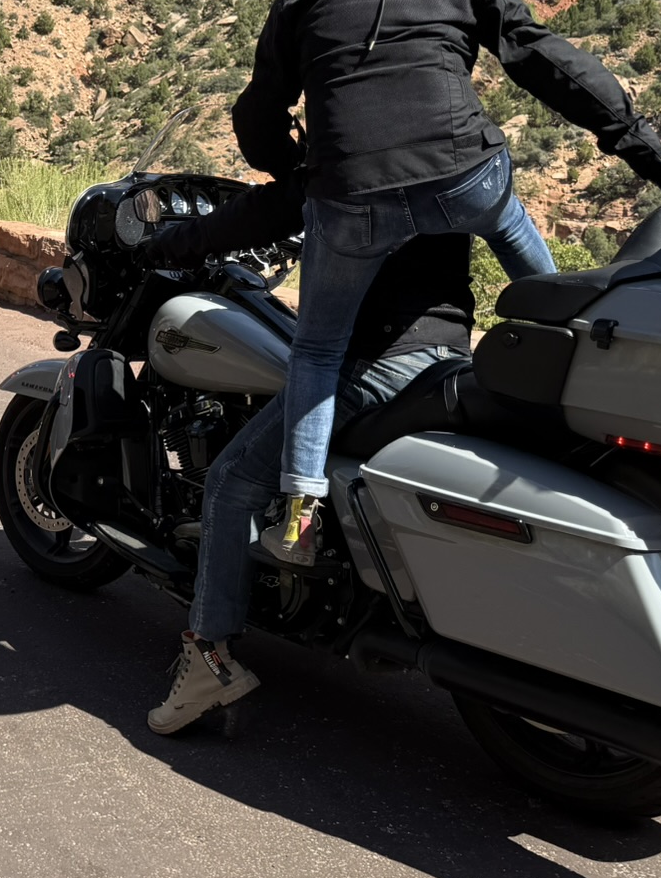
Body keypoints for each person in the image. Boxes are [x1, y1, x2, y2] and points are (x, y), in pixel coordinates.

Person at [233, 0, 661, 566]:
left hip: (352, 203)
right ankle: (579, 351)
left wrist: (294, 169)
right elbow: (557, 68)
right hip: (464, 183)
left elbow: (258, 118)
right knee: (532, 266)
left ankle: (297, 513)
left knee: (319, 351)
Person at [142, 181, 480, 733]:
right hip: (447, 356)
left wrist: (174, 243)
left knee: (231, 481)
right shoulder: (456, 156)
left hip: (377, 361)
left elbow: (272, 206)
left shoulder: (359, 156)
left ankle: (209, 658)